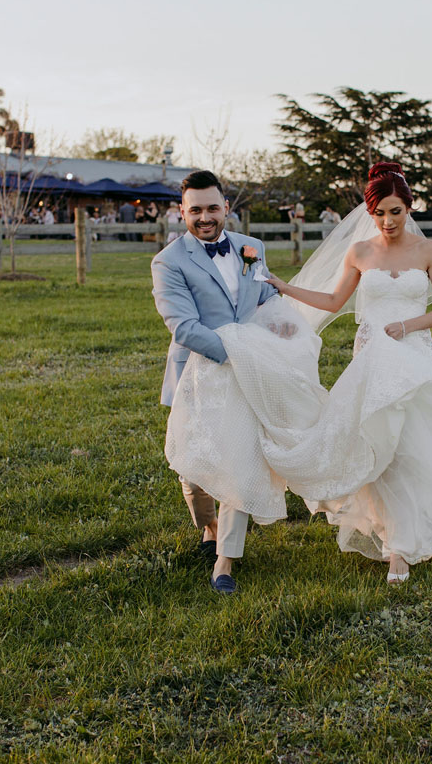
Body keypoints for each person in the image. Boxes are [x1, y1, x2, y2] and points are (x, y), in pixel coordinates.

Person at [166, 163, 432, 585]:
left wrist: (406, 326)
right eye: (380, 213)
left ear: (408, 208)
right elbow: (331, 299)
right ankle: (216, 529)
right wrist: (285, 290)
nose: (388, 221)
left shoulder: (428, 250)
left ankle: (399, 545)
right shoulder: (360, 252)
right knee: (368, 446)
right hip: (360, 360)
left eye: (396, 211)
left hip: (412, 355)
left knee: (405, 447)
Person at [151, 170, 278, 595]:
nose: (205, 217)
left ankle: (225, 560)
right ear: (181, 213)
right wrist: (235, 354)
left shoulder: (252, 247)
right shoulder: (168, 261)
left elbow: (264, 296)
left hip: (245, 376)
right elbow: (183, 326)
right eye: (195, 210)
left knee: (237, 460)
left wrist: (282, 328)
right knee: (193, 467)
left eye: (212, 208)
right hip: (197, 371)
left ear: (226, 207)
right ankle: (207, 525)